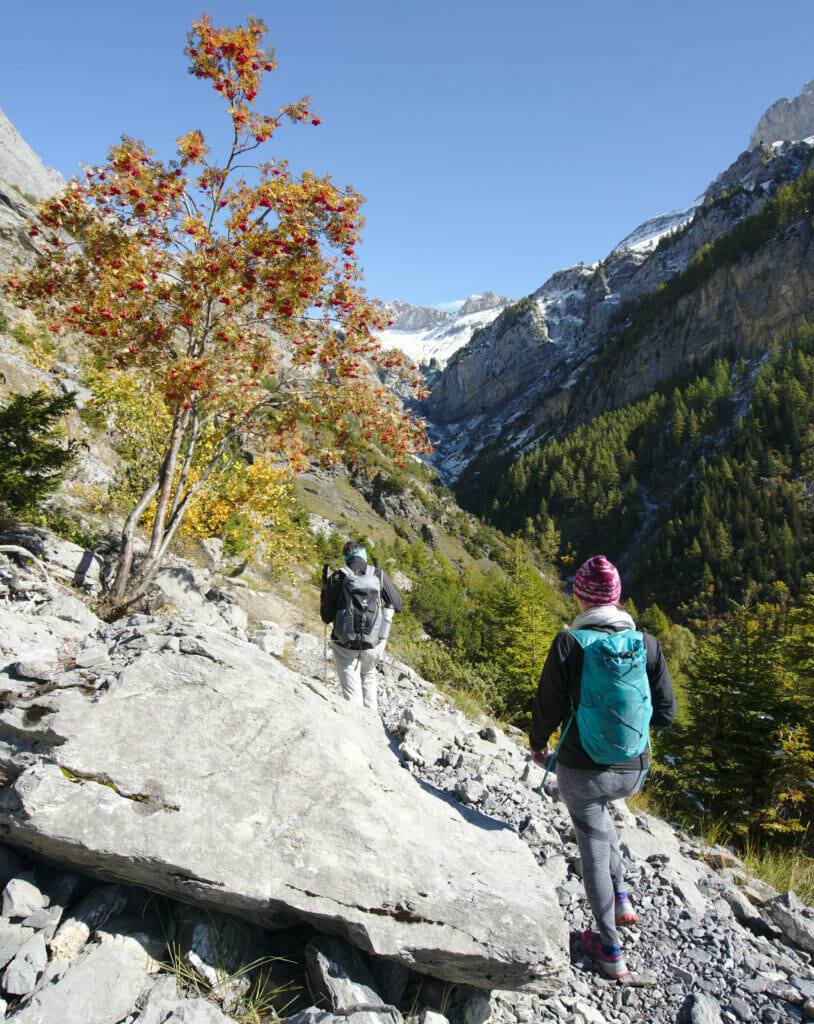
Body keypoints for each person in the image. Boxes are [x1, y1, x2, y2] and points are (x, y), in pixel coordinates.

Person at [529, 554, 677, 980]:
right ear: (616, 599)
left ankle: (609, 948)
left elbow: (547, 707)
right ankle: (623, 895)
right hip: (633, 770)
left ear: (580, 598)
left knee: (592, 842)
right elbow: (665, 714)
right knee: (604, 823)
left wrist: (539, 746)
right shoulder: (646, 644)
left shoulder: (569, 643)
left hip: (581, 771)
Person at [320, 540, 403, 713]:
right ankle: (373, 725)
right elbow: (398, 604)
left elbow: (326, 617)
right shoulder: (378, 574)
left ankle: (357, 726)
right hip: (374, 642)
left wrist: (324, 592)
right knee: (368, 675)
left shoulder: (336, 577)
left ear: (346, 558)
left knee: (352, 695)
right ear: (364, 555)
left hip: (345, 645)